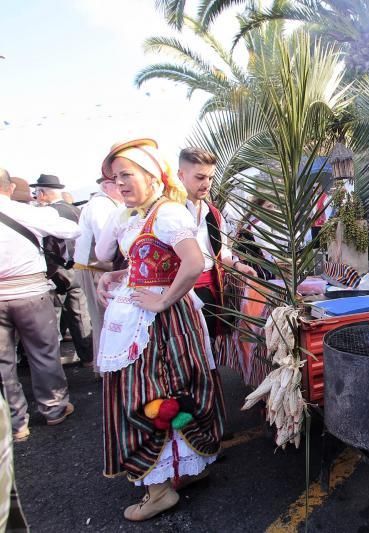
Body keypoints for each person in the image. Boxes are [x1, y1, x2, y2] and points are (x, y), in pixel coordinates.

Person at [94, 138, 224, 521]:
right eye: (116, 178)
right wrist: (120, 274)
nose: (120, 184)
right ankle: (183, 471)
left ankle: (160, 490)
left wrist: (162, 301)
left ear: (152, 175)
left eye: (127, 175)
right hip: (145, 320)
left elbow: (194, 261)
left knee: (151, 393)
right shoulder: (139, 215)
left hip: (163, 325)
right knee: (162, 391)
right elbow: (148, 260)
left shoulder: (167, 213)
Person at [0, 168, 79, 442]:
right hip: (31, 291)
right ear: (10, 189)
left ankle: (15, 421)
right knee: (43, 351)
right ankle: (54, 407)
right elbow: (72, 229)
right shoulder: (29, 212)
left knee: (3, 361)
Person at [176, 147, 256, 356]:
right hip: (180, 291)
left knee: (207, 350)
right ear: (181, 175)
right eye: (200, 177)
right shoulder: (168, 213)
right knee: (185, 353)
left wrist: (239, 266)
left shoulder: (213, 213)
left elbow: (224, 256)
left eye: (210, 178)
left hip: (211, 290)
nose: (206, 184)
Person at [31, 174, 94, 366]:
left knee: (53, 315)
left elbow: (50, 245)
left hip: (57, 270)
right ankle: (88, 357)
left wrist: (49, 271)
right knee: (80, 313)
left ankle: (51, 358)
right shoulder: (75, 209)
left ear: (42, 193)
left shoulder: (46, 213)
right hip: (80, 266)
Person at [73, 175, 124, 363]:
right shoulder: (101, 205)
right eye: (118, 181)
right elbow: (106, 242)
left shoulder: (109, 204)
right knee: (103, 318)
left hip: (101, 268)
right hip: (95, 268)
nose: (122, 185)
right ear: (106, 185)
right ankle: (103, 366)